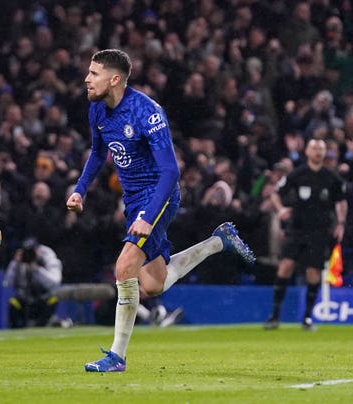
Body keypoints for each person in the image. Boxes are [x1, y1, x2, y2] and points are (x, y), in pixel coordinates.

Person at [65, 49, 255, 372]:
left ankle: (116, 357)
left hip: (160, 196)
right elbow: (98, 153)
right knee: (152, 285)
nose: (86, 78)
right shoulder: (97, 109)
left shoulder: (146, 112)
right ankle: (218, 242)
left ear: (114, 79)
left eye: (94, 73)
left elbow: (171, 172)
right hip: (134, 200)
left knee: (124, 267)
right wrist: (80, 189)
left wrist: (148, 217)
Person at [263, 138, 347, 331]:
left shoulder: (332, 177)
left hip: (320, 231)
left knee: (313, 272)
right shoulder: (297, 174)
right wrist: (280, 209)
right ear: (307, 152)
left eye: (321, 149)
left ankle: (307, 318)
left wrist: (341, 223)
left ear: (324, 153)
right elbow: (276, 193)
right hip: (297, 228)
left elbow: (341, 201)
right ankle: (274, 316)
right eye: (314, 148)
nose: (318, 152)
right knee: (285, 266)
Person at [3, 238, 62, 328]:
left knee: (53, 299)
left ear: (38, 249)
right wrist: (15, 263)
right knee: (13, 302)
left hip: (43, 299)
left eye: (32, 251)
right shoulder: (20, 262)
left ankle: (44, 325)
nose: (30, 255)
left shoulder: (47, 258)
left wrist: (37, 270)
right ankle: (16, 329)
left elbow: (55, 282)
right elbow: (7, 283)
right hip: (25, 300)